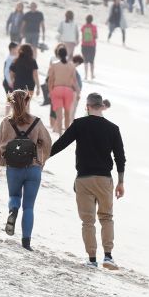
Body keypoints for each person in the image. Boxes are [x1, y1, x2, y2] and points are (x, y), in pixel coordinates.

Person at [50, 93, 125, 270]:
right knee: (106, 218)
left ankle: (92, 260)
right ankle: (108, 257)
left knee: (88, 221)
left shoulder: (79, 124)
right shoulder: (113, 128)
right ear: (102, 107)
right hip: (104, 180)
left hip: (83, 179)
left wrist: (43, 157)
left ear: (87, 106)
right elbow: (120, 157)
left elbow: (61, 143)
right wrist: (121, 182)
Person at [0, 89, 52, 251]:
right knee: (29, 207)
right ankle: (26, 242)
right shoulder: (37, 122)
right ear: (27, 102)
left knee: (14, 196)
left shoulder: (6, 122)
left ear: (10, 103)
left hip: (13, 168)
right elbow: (48, 144)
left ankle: (13, 210)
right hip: (33, 169)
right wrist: (42, 162)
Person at [47, 46, 79, 133]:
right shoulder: (72, 66)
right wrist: (78, 92)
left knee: (59, 115)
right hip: (68, 90)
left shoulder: (54, 65)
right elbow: (75, 81)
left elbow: (50, 80)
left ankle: (60, 133)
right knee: (67, 113)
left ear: (58, 54)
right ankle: (67, 134)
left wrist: (50, 91)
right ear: (66, 54)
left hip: (57, 89)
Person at [80, 15, 97, 80]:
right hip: (92, 45)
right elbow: (95, 36)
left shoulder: (83, 27)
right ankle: (92, 75)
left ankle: (86, 75)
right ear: (92, 20)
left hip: (84, 45)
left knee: (85, 61)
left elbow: (82, 35)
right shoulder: (94, 27)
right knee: (92, 61)